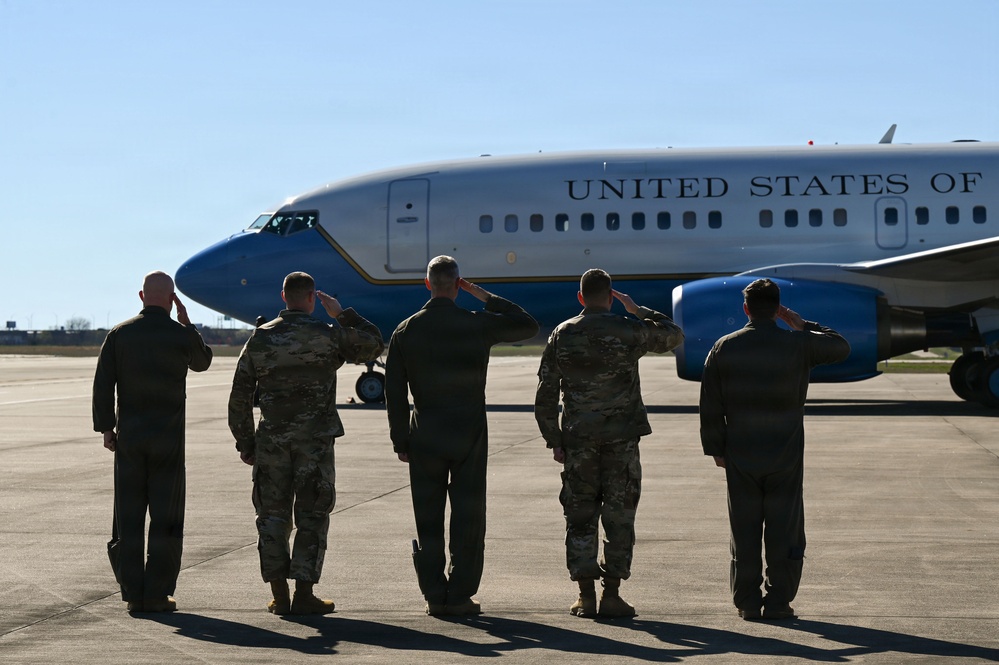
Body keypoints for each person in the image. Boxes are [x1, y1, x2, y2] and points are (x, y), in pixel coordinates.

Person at [385, 255, 539, 616]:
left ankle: (434, 594)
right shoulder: (476, 323)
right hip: (468, 435)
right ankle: (460, 594)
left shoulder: (406, 330)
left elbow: (394, 394)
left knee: (428, 517)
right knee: (468, 517)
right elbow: (527, 325)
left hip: (425, 436)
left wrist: (400, 441)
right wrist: (484, 296)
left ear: (427, 285)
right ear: (457, 285)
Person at [228, 271, 384, 615]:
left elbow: (239, 397)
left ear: (283, 296)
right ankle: (304, 592)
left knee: (271, 516)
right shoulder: (328, 335)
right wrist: (342, 314)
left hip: (272, 442)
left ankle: (279, 594)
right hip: (315, 442)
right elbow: (374, 343)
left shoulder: (260, 338)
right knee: (312, 515)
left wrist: (245, 442)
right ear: (312, 297)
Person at [535, 268, 684, 618]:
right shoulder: (628, 330)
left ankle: (585, 595)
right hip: (621, 442)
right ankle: (613, 594)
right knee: (619, 517)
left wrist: (553, 439)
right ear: (611, 295)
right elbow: (674, 335)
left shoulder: (562, 334)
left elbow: (546, 391)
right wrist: (639, 310)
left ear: (581, 297)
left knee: (580, 515)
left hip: (578, 442)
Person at [699, 278, 850, 621]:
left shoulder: (724, 347)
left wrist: (716, 448)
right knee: (784, 529)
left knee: (745, 529)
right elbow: (841, 347)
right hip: (784, 454)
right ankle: (779, 601)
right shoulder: (798, 344)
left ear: (746, 309)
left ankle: (748, 602)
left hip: (741, 453)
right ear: (778, 308)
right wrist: (802, 324)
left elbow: (710, 404)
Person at [92, 271, 213, 614]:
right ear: (172, 299)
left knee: (128, 518)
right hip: (168, 443)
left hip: (130, 441)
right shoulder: (179, 335)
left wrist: (107, 429)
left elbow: (103, 385)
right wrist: (188, 324)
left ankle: (133, 593)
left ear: (141, 296)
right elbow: (203, 362)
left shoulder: (119, 335)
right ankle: (158, 594)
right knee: (167, 518)